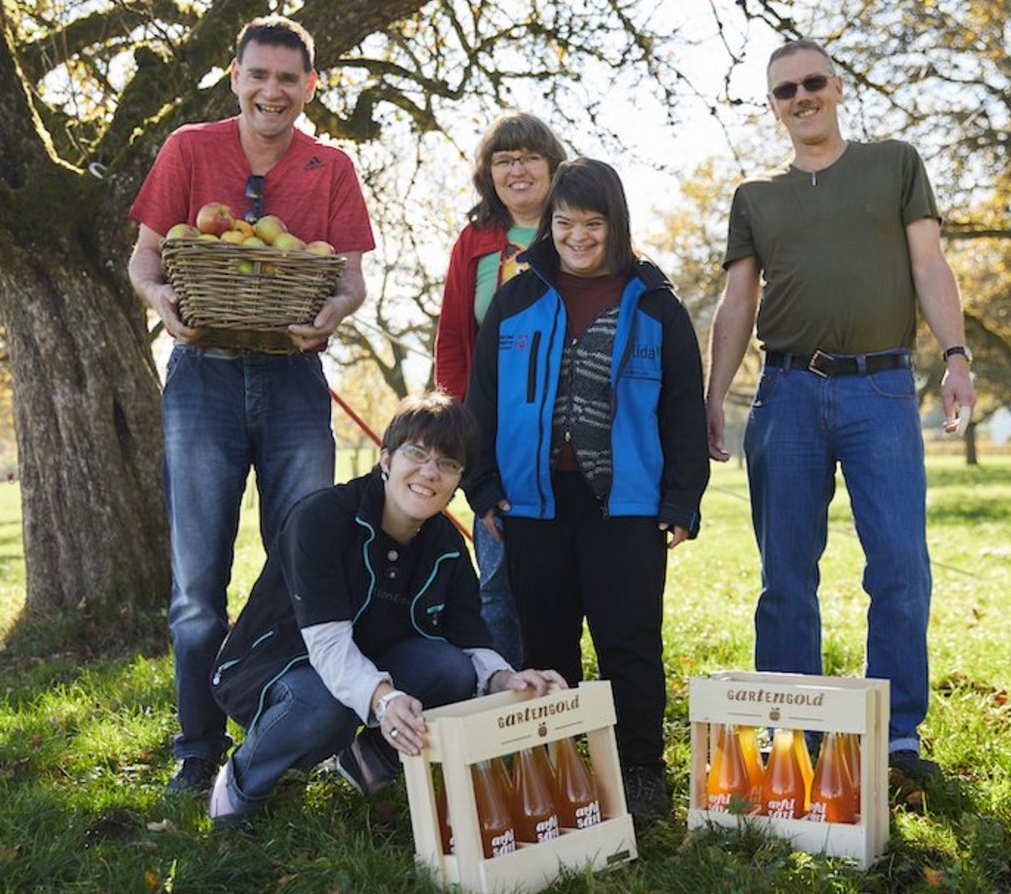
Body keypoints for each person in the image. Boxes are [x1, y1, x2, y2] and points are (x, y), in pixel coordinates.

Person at [705, 39, 977, 782]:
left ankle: (895, 740)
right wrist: (711, 399)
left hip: (881, 389)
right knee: (785, 575)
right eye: (785, 90)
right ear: (773, 106)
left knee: (899, 566)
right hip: (786, 392)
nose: (801, 98)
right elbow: (737, 303)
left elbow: (929, 265)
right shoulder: (755, 198)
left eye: (812, 82)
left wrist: (956, 356)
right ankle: (793, 735)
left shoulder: (894, 164)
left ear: (838, 86)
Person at [127, 15, 375, 793]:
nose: (273, 90)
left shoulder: (329, 166)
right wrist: (165, 301)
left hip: (293, 380)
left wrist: (332, 313)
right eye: (258, 75)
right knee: (198, 586)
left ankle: (293, 732)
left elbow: (351, 279)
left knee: (306, 567)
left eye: (289, 78)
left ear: (310, 86)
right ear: (235, 77)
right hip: (201, 377)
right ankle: (196, 748)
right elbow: (143, 258)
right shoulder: (188, 150)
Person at [465, 158, 709, 817]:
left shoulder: (656, 304)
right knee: (546, 644)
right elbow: (480, 401)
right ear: (551, 224)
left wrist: (683, 498)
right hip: (531, 503)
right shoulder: (517, 298)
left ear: (615, 224)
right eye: (565, 222)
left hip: (626, 506)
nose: (577, 236)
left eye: (592, 224)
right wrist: (484, 489)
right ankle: (559, 769)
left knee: (629, 641)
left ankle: (640, 769)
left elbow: (683, 407)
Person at [206, 393, 566, 826]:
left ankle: (367, 761)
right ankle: (242, 785)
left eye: (448, 463)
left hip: (368, 662)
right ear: (386, 459)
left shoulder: (447, 547)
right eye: (416, 453)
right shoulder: (322, 518)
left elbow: (469, 640)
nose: (429, 472)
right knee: (328, 706)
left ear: (458, 480)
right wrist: (384, 699)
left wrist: (508, 679)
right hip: (278, 667)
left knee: (455, 671)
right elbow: (328, 645)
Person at [434, 112, 568, 667]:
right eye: (503, 160)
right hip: (496, 437)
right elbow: (453, 345)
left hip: (568, 434)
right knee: (497, 580)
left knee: (563, 582)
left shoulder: (576, 229)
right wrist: (465, 434)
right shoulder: (474, 244)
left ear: (553, 165)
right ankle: (506, 702)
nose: (517, 170)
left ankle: (566, 703)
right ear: (488, 173)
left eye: (529, 157)